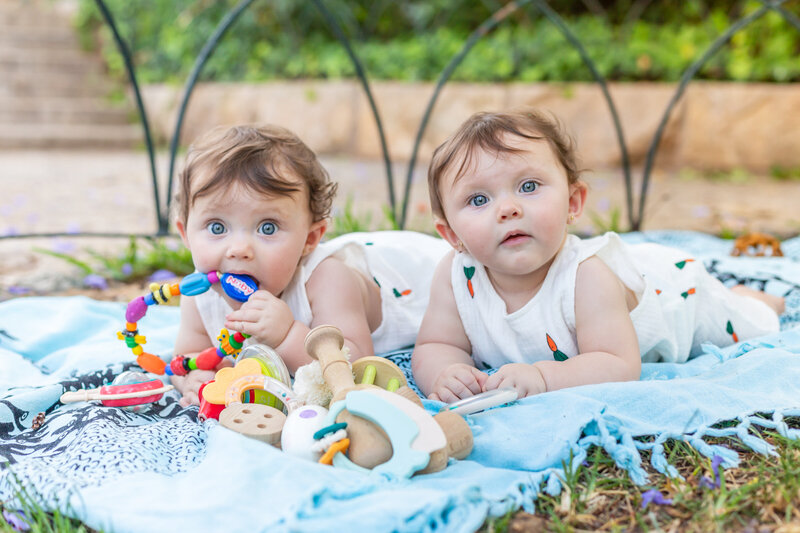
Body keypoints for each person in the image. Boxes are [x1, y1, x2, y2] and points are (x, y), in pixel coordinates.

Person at [411, 110, 785, 403]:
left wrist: (543, 377)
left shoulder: (586, 277)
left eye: (528, 186)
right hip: (639, 284)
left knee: (743, 321)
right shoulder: (456, 276)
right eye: (479, 199)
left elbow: (618, 363)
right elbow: (436, 345)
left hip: (678, 300)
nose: (508, 209)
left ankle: (754, 299)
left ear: (573, 203)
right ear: (452, 235)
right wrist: (445, 374)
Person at [170, 124, 449, 406]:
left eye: (267, 228)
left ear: (310, 238)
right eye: (217, 227)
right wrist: (194, 377)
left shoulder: (328, 279)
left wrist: (287, 335)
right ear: (186, 234)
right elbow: (187, 356)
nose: (239, 249)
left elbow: (354, 362)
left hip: (411, 278)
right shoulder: (200, 293)